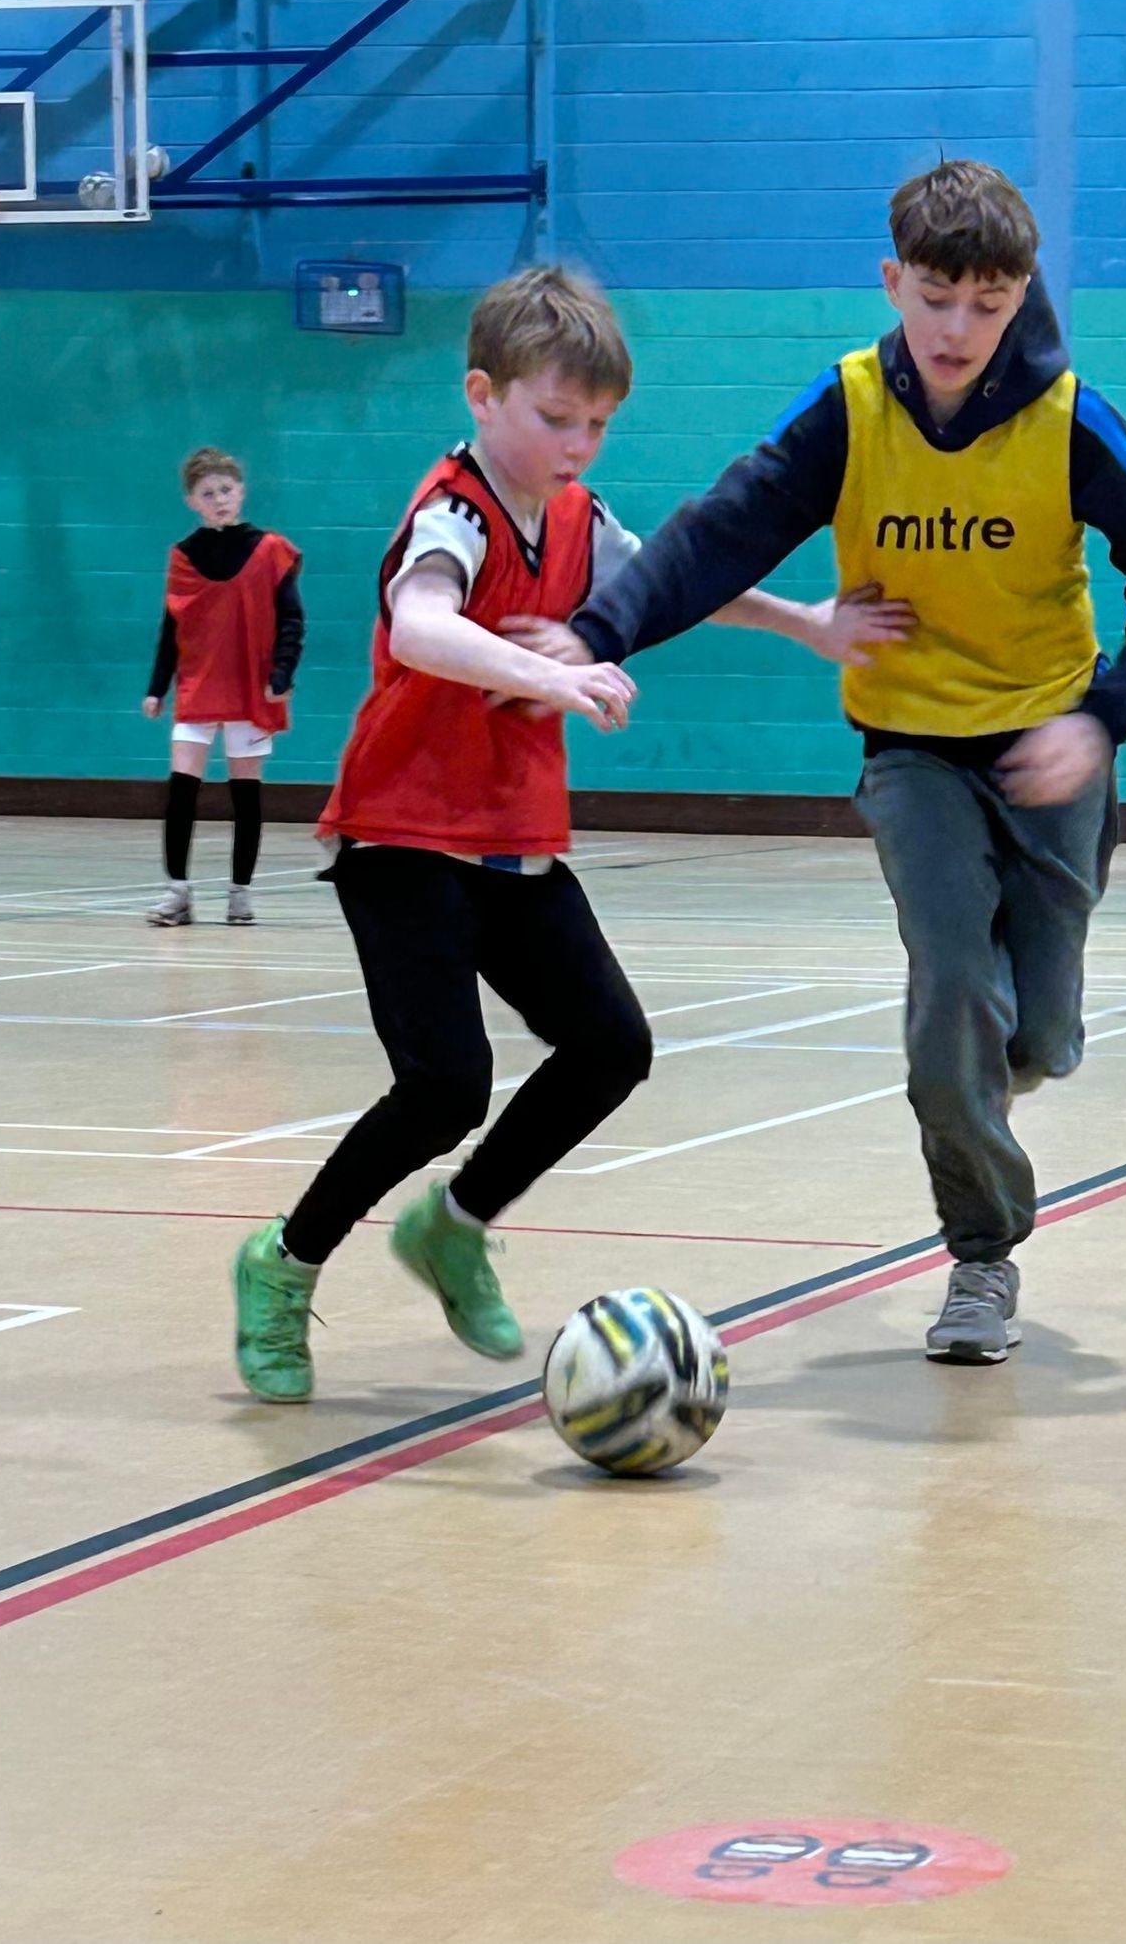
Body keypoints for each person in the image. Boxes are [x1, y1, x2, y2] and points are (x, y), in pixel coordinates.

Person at [514, 161, 1126, 1368]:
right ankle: (982, 1253)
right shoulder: (846, 409)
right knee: (951, 986)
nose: (955, 328)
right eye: (933, 296)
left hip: (1050, 748)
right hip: (912, 749)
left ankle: (989, 1079)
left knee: (1035, 1038)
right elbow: (720, 529)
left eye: (985, 305)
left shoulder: (1072, 418)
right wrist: (598, 630)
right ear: (892, 281)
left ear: (1022, 296)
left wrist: (1103, 718)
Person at [230, 266, 911, 1402]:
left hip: (510, 834)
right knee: (445, 1085)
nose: (577, 443)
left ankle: (453, 1225)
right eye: (555, 418)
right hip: (402, 832)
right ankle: (284, 1263)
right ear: (483, 394)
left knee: (611, 1046)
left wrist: (805, 623)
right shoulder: (452, 510)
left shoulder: (579, 519)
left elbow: (671, 581)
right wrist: (558, 667)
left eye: (597, 423)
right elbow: (423, 623)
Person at [142, 448, 302, 927]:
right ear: (192, 500)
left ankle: (240, 892)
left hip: (250, 689)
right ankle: (178, 891)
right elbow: (171, 628)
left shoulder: (270, 549)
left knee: (245, 794)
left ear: (241, 492)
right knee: (181, 792)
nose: (219, 499)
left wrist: (282, 675)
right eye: (208, 493)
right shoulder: (183, 557)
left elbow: (292, 619)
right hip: (197, 688)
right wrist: (157, 687)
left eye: (226, 490)